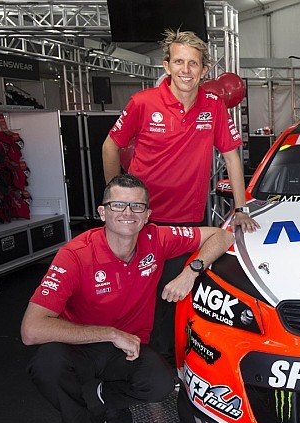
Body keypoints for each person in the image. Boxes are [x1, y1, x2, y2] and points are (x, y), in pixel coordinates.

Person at [21, 174, 235, 423]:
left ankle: (110, 399)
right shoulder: (74, 255)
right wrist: (109, 333)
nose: (128, 213)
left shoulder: (157, 237)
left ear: (148, 215)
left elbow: (222, 236)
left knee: (161, 384)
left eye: (137, 206)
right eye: (118, 204)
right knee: (46, 365)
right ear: (102, 211)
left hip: (129, 346)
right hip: (79, 344)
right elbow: (31, 329)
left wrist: (191, 271)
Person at [101, 29, 258, 358]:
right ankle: (130, 360)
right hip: (144, 220)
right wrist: (116, 203)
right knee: (135, 292)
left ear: (204, 70)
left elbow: (231, 156)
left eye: (194, 63)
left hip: (189, 220)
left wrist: (241, 208)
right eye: (179, 62)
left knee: (179, 293)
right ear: (167, 65)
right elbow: (110, 146)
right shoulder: (143, 103)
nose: (186, 70)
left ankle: (169, 364)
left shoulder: (213, 106)